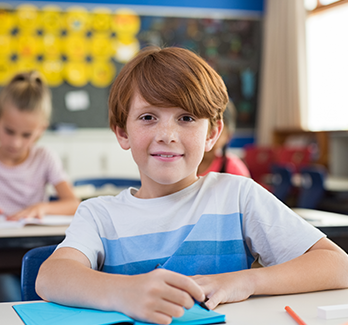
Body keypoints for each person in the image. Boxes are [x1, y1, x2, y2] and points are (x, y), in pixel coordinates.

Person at [36, 47, 348, 325]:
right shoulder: (99, 215)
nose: (167, 135)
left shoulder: (237, 196)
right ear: (122, 132)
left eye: (186, 118)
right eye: (148, 117)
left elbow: (337, 265)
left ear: (213, 133)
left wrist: (246, 281)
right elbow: (51, 277)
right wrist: (124, 292)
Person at [0, 71, 80, 220]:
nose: (15, 143)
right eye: (9, 131)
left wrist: (42, 207)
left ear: (41, 130)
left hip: (34, 240)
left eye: (26, 135)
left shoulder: (44, 158)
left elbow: (74, 204)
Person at [197, 99, 250, 177]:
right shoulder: (181, 163)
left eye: (215, 132)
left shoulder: (234, 169)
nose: (208, 138)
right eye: (205, 131)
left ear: (228, 136)